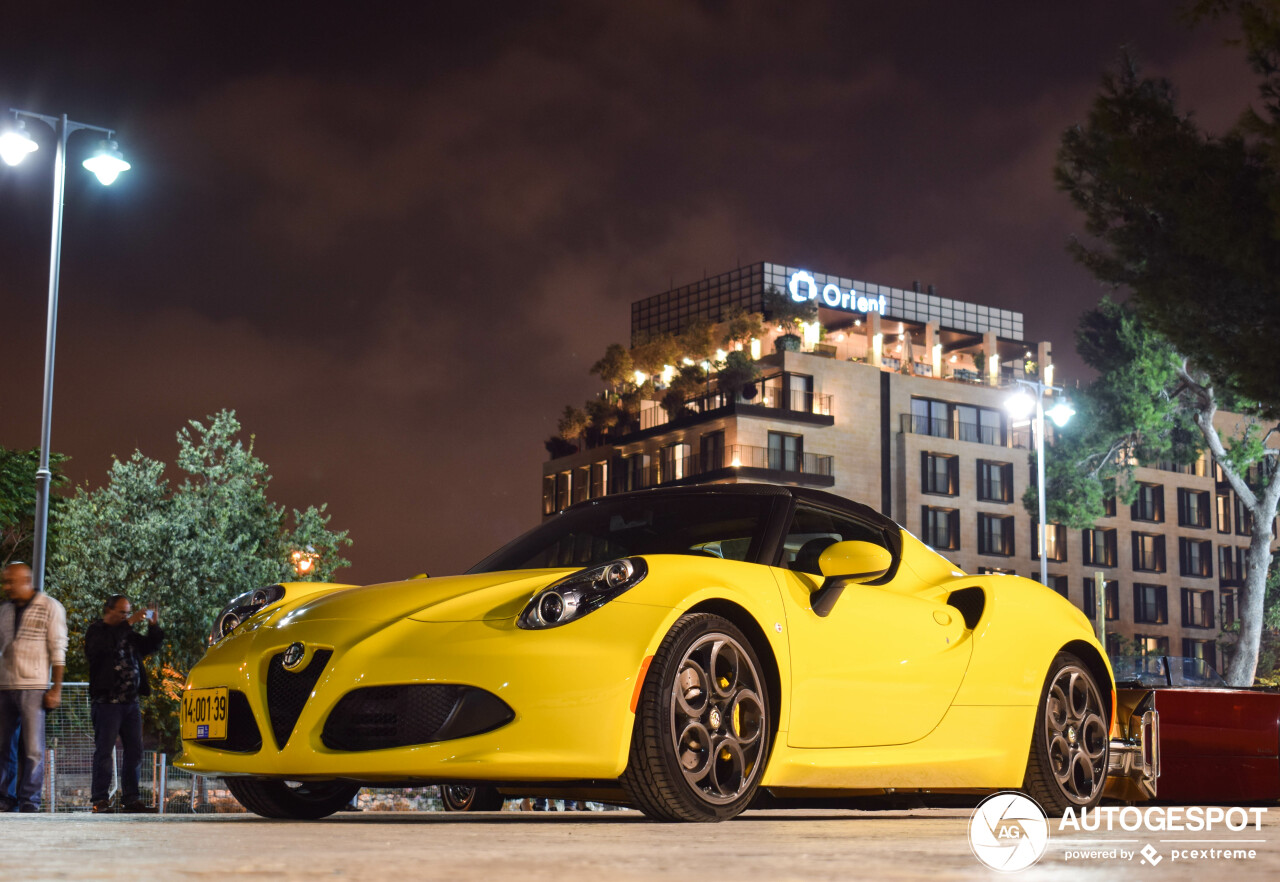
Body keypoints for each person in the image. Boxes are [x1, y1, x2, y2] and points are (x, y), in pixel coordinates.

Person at [85, 595, 164, 813]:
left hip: (130, 703)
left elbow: (150, 645)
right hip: (107, 702)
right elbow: (102, 648)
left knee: (135, 751)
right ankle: (100, 800)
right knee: (104, 751)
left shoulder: (127, 633)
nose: (127, 617)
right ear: (108, 611)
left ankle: (131, 799)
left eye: (128, 612)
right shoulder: (96, 631)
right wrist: (129, 622)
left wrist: (153, 625)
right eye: (123, 612)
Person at [0, 561, 67, 813]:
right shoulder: (4, 611)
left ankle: (30, 801)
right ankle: (5, 798)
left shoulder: (50, 607)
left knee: (33, 749)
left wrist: (56, 688)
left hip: (34, 686)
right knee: (3, 746)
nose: (6, 586)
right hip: (5, 686)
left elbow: (58, 649)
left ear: (25, 580)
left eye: (10, 581)